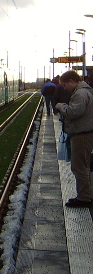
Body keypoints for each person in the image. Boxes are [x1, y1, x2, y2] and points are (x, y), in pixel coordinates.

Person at [54, 70, 93, 207]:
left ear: (71, 81)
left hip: (82, 134)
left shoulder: (80, 93)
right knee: (82, 166)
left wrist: (61, 106)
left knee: (79, 167)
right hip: (82, 133)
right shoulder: (82, 92)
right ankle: (84, 195)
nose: (64, 88)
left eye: (64, 85)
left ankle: (84, 198)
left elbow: (74, 112)